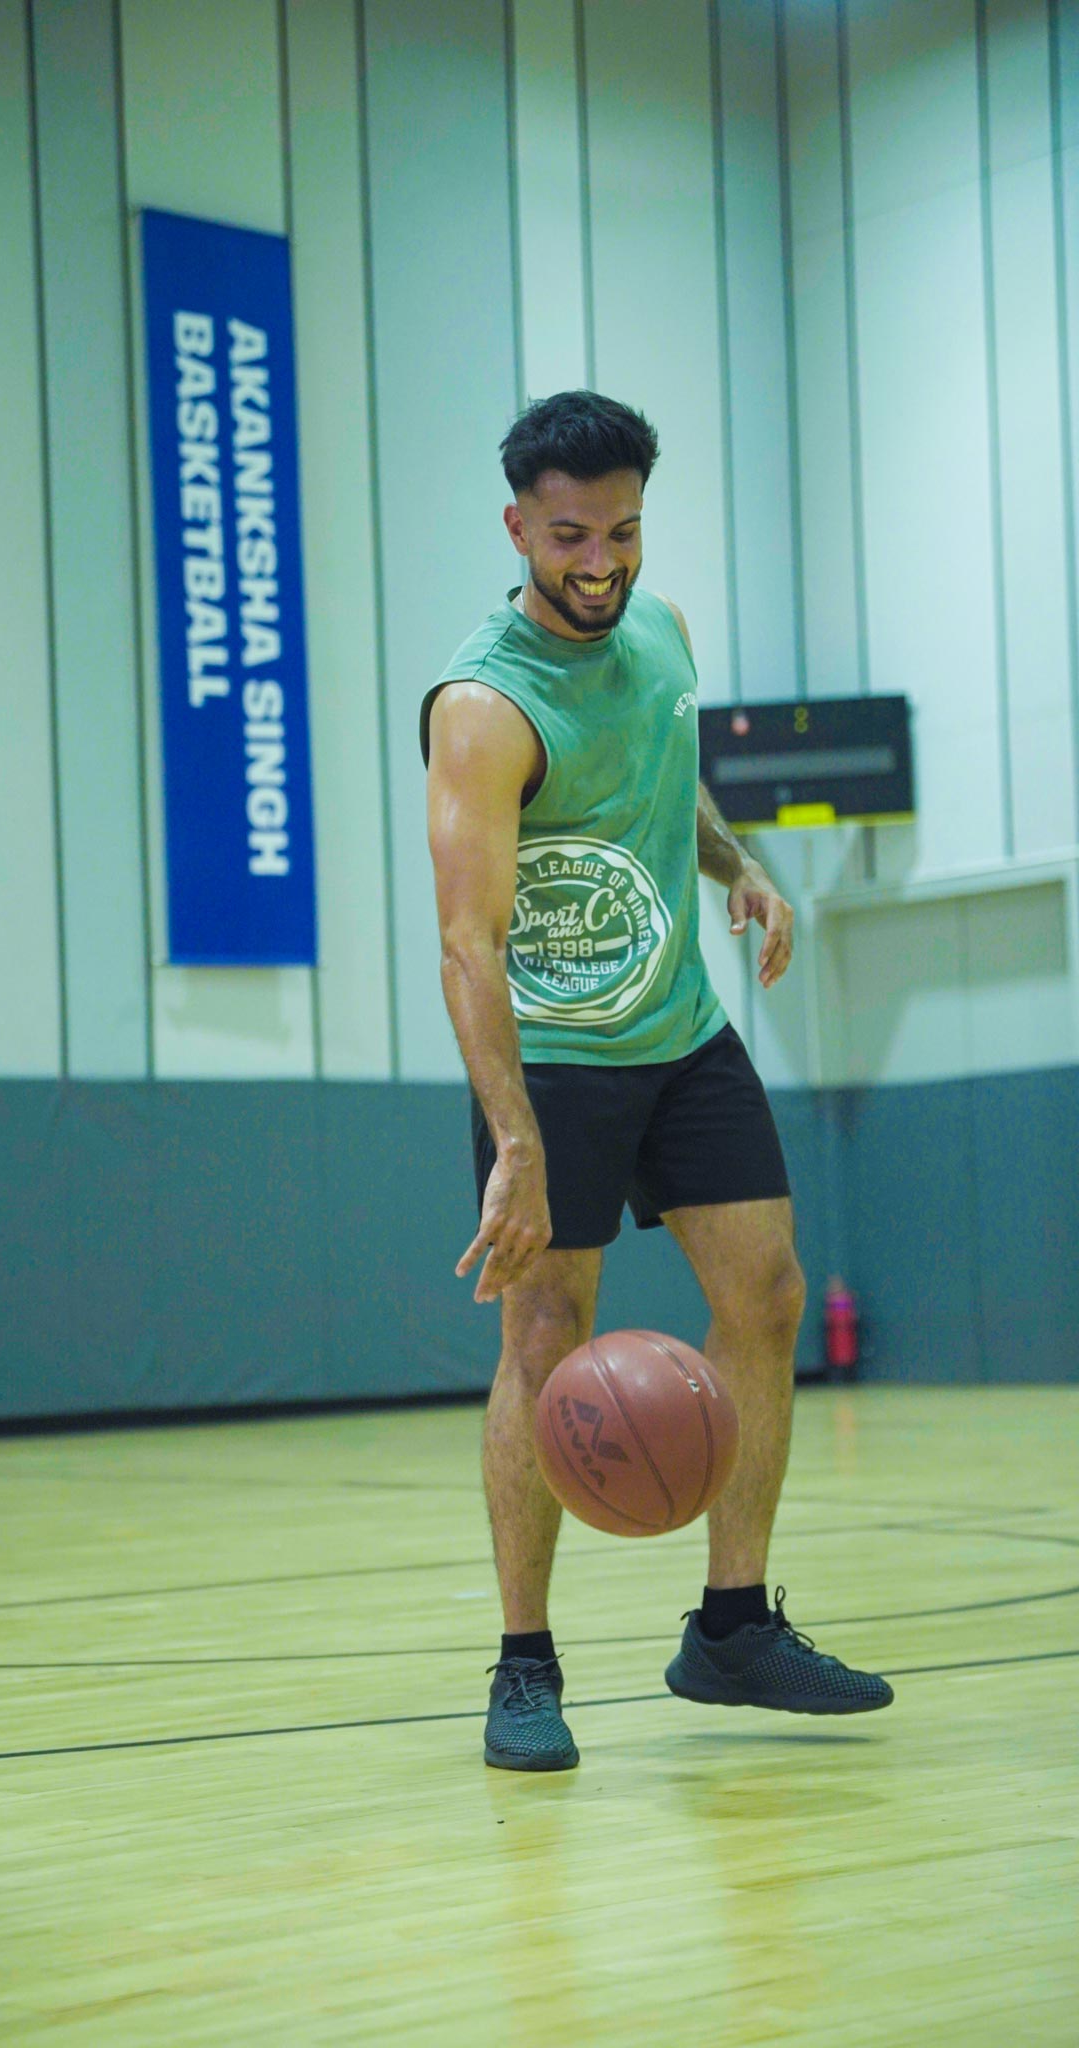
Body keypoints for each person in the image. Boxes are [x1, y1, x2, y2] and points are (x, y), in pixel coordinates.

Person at [420, 391, 892, 1771]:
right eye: (571, 536)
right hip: (555, 1062)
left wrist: (740, 866)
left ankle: (733, 1627)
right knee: (541, 1335)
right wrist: (513, 1141)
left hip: (681, 1036)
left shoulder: (664, 632)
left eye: (622, 531)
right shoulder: (483, 706)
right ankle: (524, 1664)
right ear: (519, 529)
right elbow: (467, 942)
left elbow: (663, 779)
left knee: (768, 1293)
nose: (602, 561)